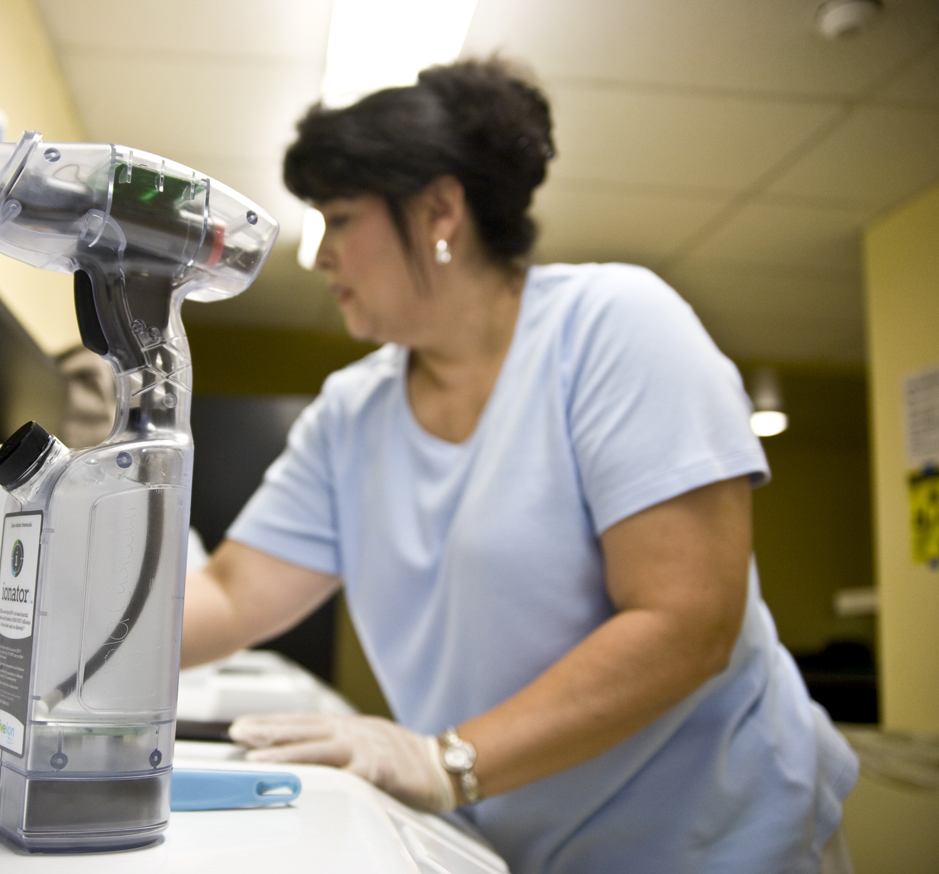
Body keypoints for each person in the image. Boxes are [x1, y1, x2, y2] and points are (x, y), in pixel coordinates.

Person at [180, 59, 857, 874]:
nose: (320, 253)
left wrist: (444, 761)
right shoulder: (350, 415)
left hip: (711, 842)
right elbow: (228, 593)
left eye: (340, 217)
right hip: (515, 844)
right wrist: (43, 640)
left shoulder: (616, 329)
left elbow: (687, 621)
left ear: (439, 209)